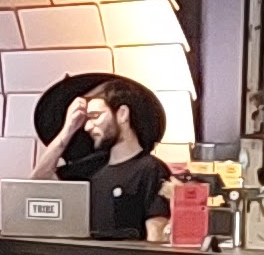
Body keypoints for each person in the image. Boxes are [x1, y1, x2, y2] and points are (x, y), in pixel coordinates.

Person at [31, 71, 173, 240]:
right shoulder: (89, 169)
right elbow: (36, 185)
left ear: (122, 114)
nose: (87, 127)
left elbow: (156, 233)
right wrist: (68, 129)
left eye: (95, 116)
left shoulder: (150, 169)